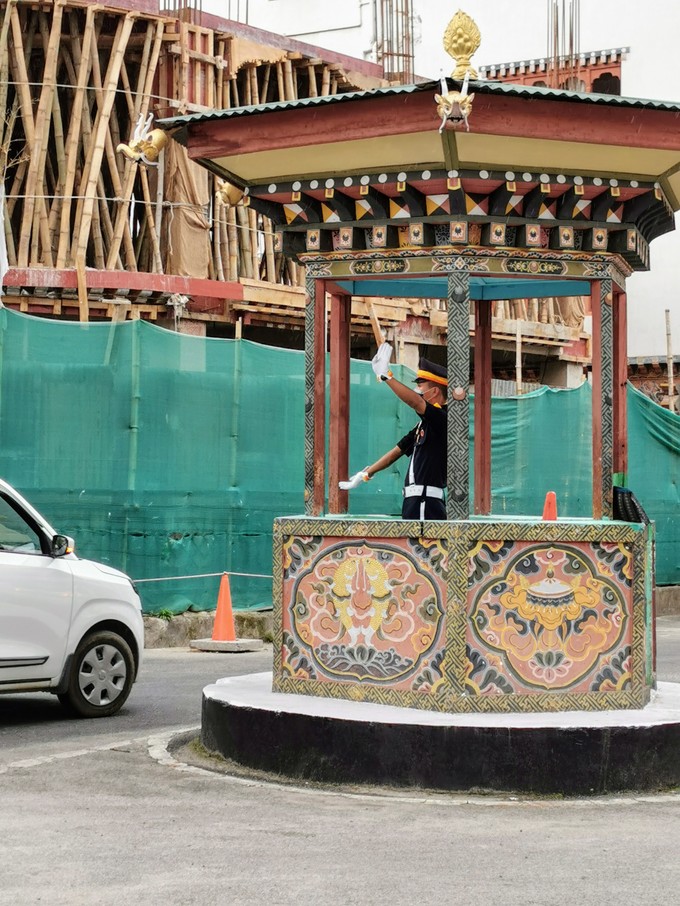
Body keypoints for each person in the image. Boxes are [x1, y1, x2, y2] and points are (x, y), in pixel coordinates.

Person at [340, 342, 448, 520]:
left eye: (420, 386)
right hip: (414, 501)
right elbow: (397, 451)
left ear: (435, 391)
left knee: (422, 548)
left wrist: (386, 376)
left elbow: (416, 402)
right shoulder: (423, 425)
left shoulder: (443, 419)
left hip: (426, 502)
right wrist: (367, 473)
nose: (417, 390)